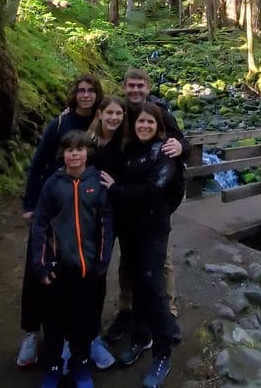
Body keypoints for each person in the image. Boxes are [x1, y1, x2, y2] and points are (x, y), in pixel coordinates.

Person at [18, 76, 106, 368]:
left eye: (90, 90)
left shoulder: (103, 122)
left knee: (86, 274)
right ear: (73, 94)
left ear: (98, 95)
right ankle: (32, 331)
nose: (85, 95)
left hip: (86, 211)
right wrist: (30, 204)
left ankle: (85, 336)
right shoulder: (59, 124)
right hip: (52, 204)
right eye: (80, 90)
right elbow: (39, 162)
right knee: (38, 271)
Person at [104, 69, 188, 342]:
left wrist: (180, 147)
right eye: (131, 85)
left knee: (161, 259)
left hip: (157, 198)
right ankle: (126, 309)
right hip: (128, 196)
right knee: (128, 258)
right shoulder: (120, 112)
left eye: (140, 85)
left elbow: (183, 142)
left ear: (148, 86)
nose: (135, 90)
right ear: (124, 87)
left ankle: (168, 312)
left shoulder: (160, 113)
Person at [100, 103, 180, 388]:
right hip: (132, 229)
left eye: (149, 122)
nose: (143, 126)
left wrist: (115, 190)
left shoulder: (164, 152)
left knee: (153, 288)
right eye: (140, 122)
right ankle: (139, 338)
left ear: (158, 126)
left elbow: (155, 188)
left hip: (153, 230)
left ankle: (163, 353)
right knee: (138, 285)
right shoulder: (131, 149)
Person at [30, 131, 114, 388]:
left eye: (79, 149)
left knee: (82, 320)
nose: (74, 154)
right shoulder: (53, 185)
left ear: (87, 152)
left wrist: (102, 259)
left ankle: (80, 365)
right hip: (58, 267)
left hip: (87, 267)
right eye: (69, 150)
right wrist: (41, 263)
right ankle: (54, 366)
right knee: (54, 320)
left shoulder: (97, 183)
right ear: (62, 154)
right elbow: (40, 224)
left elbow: (106, 223)